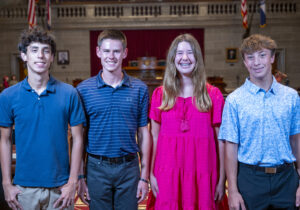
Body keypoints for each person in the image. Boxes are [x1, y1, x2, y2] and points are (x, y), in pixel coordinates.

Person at [0, 26, 86, 210]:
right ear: (24, 56)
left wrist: (72, 182)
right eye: (34, 50)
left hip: (60, 188)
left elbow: (78, 138)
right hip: (24, 189)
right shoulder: (8, 96)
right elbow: (5, 140)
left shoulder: (69, 93)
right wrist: (7, 184)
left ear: (52, 57)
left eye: (46, 51)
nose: (41, 55)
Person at [219, 34, 300, 210]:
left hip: (286, 179)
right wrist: (232, 190)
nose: (256, 62)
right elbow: (230, 148)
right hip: (250, 179)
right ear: (245, 62)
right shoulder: (234, 100)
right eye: (250, 57)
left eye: (262, 55)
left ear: (272, 58)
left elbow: (296, 140)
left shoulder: (291, 97)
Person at [147, 34, 226, 209]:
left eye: (190, 53)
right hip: (167, 172)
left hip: (203, 172)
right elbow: (153, 137)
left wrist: (222, 179)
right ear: (172, 58)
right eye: (179, 53)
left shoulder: (212, 95)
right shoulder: (161, 94)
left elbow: (222, 142)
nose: (184, 58)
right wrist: (150, 174)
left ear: (197, 57)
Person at [76, 29, 151, 210]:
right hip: (96, 168)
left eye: (116, 51)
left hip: (129, 168)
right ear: (98, 52)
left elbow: (144, 133)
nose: (111, 56)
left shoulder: (139, 89)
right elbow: (79, 137)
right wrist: (80, 177)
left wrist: (144, 176)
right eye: (107, 51)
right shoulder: (84, 90)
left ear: (124, 53)